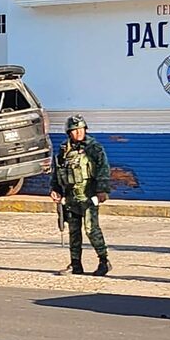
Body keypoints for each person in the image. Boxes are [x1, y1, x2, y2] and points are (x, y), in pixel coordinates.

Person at [50, 114, 112, 276]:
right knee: (73, 231)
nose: (78, 133)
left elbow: (103, 168)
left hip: (88, 195)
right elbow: (57, 170)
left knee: (91, 229)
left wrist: (102, 190)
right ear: (69, 132)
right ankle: (75, 264)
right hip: (70, 197)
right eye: (74, 130)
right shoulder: (64, 149)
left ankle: (104, 261)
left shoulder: (94, 147)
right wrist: (55, 188)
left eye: (81, 129)